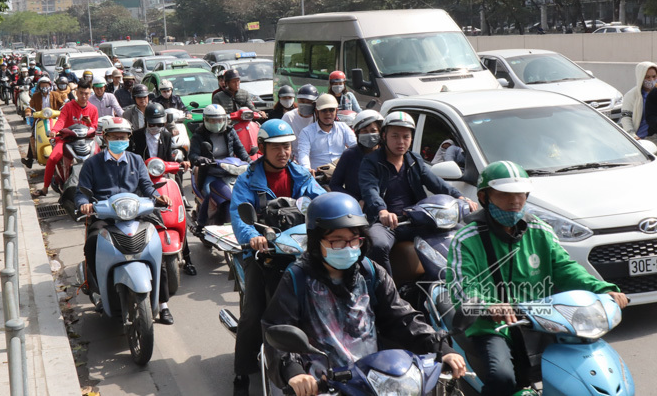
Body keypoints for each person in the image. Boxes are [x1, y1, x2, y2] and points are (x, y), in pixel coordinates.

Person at [446, 161, 628, 396]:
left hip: (543, 321)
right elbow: (461, 286)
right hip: (494, 327)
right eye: (505, 194)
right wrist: (489, 306)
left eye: (520, 194)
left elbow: (565, 268)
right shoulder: (467, 238)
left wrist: (602, 289)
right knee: (502, 378)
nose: (515, 201)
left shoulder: (540, 231)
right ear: (484, 197)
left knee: (578, 370)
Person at [262, 192, 466, 396]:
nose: (348, 248)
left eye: (354, 240)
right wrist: (294, 371)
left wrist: (440, 347)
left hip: (373, 381)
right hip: (321, 385)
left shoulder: (370, 272)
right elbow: (279, 328)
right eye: (337, 241)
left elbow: (400, 317)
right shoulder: (297, 278)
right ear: (317, 242)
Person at [229, 119, 327, 396]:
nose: (283, 152)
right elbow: (239, 215)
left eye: (287, 146)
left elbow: (321, 201)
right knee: (254, 312)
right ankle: (242, 372)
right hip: (265, 253)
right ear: (262, 148)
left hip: (301, 250)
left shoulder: (301, 175)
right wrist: (253, 237)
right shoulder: (248, 179)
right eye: (276, 147)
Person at [74, 117, 175, 324]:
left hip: (136, 213)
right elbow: (81, 192)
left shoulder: (136, 160)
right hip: (105, 216)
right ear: (105, 138)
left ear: (129, 138)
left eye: (123, 137)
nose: (120, 140)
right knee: (92, 244)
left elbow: (147, 186)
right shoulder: (92, 163)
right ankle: (98, 291)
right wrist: (84, 203)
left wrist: (157, 197)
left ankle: (163, 303)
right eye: (115, 137)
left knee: (156, 246)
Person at [359, 112, 476, 277]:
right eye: (395, 136)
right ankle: (385, 288)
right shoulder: (371, 162)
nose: (401, 141)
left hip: (418, 219)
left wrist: (460, 197)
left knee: (465, 235)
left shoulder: (414, 159)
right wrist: (382, 211)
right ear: (384, 136)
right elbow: (370, 190)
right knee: (377, 245)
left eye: (406, 136)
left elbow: (436, 182)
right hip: (387, 224)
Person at [129, 103, 196, 276]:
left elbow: (168, 158)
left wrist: (180, 163)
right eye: (152, 124)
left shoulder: (166, 135)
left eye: (159, 124)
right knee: (136, 216)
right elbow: (129, 158)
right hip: (141, 181)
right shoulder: (136, 136)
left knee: (179, 214)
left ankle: (187, 258)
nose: (155, 127)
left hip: (162, 178)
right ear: (146, 122)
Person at [33, 79, 98, 197]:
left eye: (86, 94)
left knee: (99, 158)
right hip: (67, 140)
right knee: (52, 159)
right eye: (81, 93)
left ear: (90, 94)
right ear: (76, 93)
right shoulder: (68, 106)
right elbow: (61, 121)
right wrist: (54, 131)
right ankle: (45, 188)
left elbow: (94, 128)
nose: (84, 96)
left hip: (86, 141)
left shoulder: (93, 109)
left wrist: (89, 123)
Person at [188, 104, 251, 227]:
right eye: (212, 120)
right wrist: (200, 159)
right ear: (205, 120)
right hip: (210, 171)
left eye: (219, 120)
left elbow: (241, 150)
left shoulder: (230, 131)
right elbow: (192, 155)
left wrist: (251, 162)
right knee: (208, 193)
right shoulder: (198, 135)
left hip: (231, 170)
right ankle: (202, 222)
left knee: (249, 190)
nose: (216, 123)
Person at [330, 110, 383, 201]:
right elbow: (335, 185)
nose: (369, 134)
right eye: (364, 131)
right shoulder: (349, 155)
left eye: (373, 131)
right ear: (358, 134)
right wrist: (355, 201)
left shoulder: (388, 154)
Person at [296, 93, 356, 173]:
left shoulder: (343, 128)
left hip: (341, 173)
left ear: (336, 111)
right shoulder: (306, 132)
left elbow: (355, 147)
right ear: (317, 112)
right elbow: (303, 154)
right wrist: (307, 169)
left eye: (331, 110)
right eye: (324, 110)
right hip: (318, 175)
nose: (328, 113)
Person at [22, 76, 71, 168]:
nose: (44, 87)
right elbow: (30, 105)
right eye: (42, 86)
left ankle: (67, 155)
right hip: (40, 119)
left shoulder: (55, 94)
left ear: (50, 86)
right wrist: (28, 111)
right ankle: (30, 159)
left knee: (63, 134)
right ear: (39, 87)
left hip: (54, 118)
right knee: (33, 136)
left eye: (46, 85)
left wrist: (65, 107)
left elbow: (62, 103)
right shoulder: (35, 96)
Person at [621, 61, 657, 140]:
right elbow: (626, 117)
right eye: (647, 77)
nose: (651, 80)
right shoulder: (631, 95)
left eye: (654, 76)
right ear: (641, 77)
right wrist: (631, 134)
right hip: (640, 137)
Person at [281, 84, 318, 159]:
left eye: (308, 102)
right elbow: (283, 142)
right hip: (295, 160)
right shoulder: (289, 117)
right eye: (302, 101)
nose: (305, 104)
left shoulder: (319, 117)